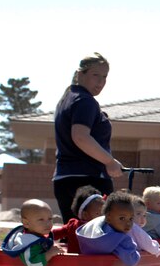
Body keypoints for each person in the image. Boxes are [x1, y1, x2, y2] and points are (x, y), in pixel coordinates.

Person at [52, 52, 124, 223]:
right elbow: (80, 137)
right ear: (80, 74)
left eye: (105, 77)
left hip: (63, 179)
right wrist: (109, 161)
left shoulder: (67, 98)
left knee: (73, 238)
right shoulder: (85, 101)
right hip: (88, 180)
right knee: (99, 239)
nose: (101, 82)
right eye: (95, 75)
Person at [76, 190, 140, 266]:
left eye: (131, 219)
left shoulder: (97, 228)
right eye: (122, 218)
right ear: (108, 218)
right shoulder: (122, 239)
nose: (128, 223)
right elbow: (132, 260)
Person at [1, 199, 65, 266]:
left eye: (50, 219)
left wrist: (52, 247)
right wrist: (50, 253)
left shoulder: (38, 234)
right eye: (41, 220)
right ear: (26, 223)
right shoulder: (28, 243)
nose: (48, 223)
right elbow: (32, 264)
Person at [52, 185, 105, 253]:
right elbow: (54, 234)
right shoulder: (73, 225)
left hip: (87, 262)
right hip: (76, 261)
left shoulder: (104, 226)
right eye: (98, 213)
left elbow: (52, 235)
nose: (102, 217)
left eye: (104, 213)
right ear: (85, 215)